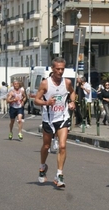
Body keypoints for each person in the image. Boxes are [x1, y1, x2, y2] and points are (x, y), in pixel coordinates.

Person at [34, 57, 76, 188]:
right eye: (58, 69)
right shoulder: (45, 84)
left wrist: (72, 102)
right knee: (46, 146)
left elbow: (72, 92)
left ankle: (59, 174)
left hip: (62, 117)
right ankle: (42, 167)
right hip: (49, 119)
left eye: (62, 69)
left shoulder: (67, 82)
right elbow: (36, 100)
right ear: (52, 69)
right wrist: (46, 102)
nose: (60, 71)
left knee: (62, 146)